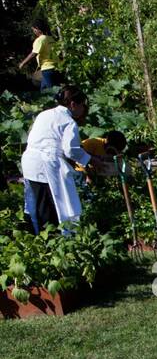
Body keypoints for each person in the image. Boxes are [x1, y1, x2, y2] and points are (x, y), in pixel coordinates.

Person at [20, 86, 110, 234]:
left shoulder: (45, 114)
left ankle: (37, 238)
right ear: (73, 104)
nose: (83, 109)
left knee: (36, 204)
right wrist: (91, 160)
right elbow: (70, 150)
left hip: (30, 161)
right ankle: (56, 239)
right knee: (53, 206)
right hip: (46, 165)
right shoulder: (68, 121)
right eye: (82, 105)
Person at [18, 22, 61, 90]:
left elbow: (33, 53)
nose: (34, 32)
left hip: (47, 68)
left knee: (52, 91)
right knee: (44, 89)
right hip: (57, 67)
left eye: (34, 30)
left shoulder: (40, 40)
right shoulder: (51, 38)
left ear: (38, 29)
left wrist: (23, 63)